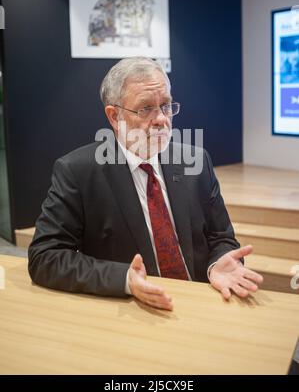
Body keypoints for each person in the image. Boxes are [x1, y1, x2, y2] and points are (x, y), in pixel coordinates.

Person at [28, 57, 263, 311]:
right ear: (114, 116)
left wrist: (217, 263)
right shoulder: (77, 172)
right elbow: (45, 256)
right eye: (145, 109)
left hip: (201, 301)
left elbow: (221, 238)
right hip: (133, 309)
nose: (162, 119)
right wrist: (123, 280)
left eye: (166, 105)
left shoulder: (196, 162)